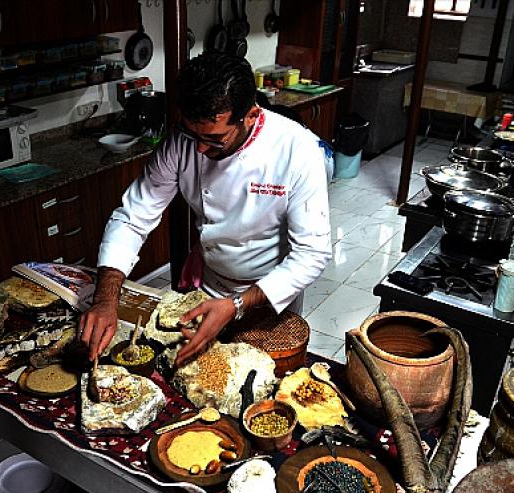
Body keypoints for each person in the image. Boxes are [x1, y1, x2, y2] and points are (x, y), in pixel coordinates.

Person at [79, 53, 332, 366]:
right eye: (191, 134)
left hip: (271, 294)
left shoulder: (297, 149)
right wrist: (106, 300)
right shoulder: (179, 143)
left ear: (250, 116)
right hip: (211, 287)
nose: (199, 149)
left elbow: (312, 254)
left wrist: (238, 304)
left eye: (214, 139)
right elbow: (133, 218)